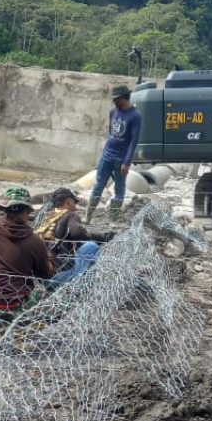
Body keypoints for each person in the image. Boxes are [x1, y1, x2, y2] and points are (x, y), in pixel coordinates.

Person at [0, 186, 53, 347]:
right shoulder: (35, 242)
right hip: (10, 303)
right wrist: (48, 258)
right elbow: (45, 275)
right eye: (29, 212)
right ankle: (18, 337)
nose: (29, 216)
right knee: (39, 299)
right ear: (24, 212)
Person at [86, 84, 142, 222]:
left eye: (116, 99)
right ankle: (88, 216)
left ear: (123, 98)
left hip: (121, 160)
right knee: (98, 185)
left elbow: (133, 141)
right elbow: (112, 133)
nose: (114, 102)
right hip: (107, 155)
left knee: (119, 189)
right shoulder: (113, 112)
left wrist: (127, 162)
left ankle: (113, 219)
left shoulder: (135, 116)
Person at [37, 186, 115, 285]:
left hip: (44, 278)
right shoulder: (70, 215)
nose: (76, 206)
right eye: (74, 202)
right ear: (68, 202)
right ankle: (79, 282)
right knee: (91, 246)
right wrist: (103, 237)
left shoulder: (48, 219)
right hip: (62, 275)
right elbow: (78, 233)